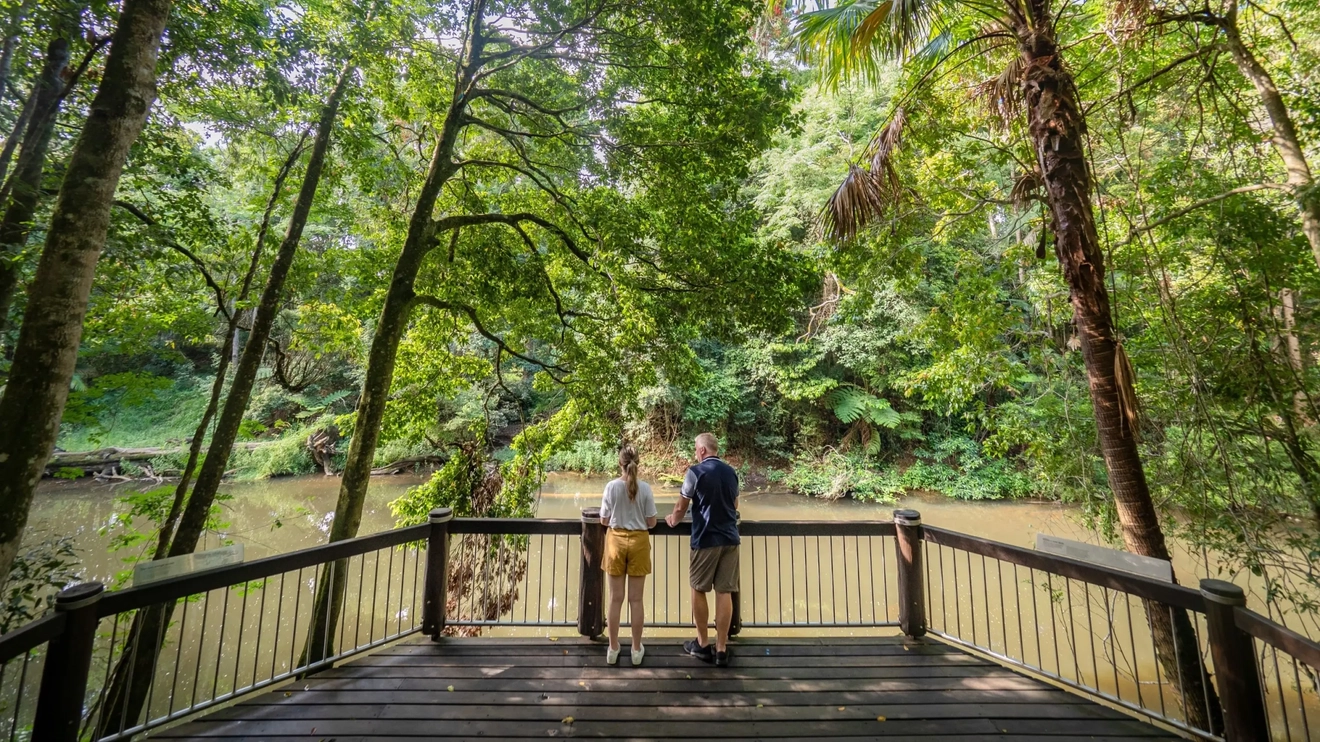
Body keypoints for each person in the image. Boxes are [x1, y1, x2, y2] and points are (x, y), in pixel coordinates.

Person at [665, 432, 739, 667]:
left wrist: (673, 520)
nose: (695, 453)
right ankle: (722, 648)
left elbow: (681, 505)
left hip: (706, 539)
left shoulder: (695, 472)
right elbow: (735, 504)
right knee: (724, 591)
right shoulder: (731, 472)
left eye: (696, 449)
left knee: (698, 588)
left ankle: (703, 644)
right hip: (730, 538)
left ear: (703, 450)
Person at [599, 444, 657, 666]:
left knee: (615, 599)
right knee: (636, 600)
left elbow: (604, 520)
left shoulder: (611, 487)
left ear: (619, 463)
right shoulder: (646, 489)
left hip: (615, 543)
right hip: (639, 543)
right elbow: (651, 522)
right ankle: (635, 649)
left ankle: (613, 649)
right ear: (638, 463)